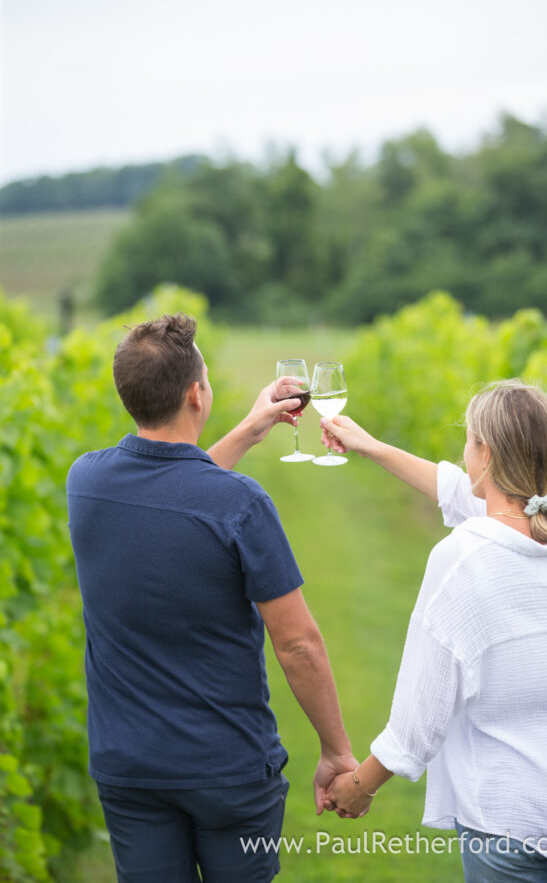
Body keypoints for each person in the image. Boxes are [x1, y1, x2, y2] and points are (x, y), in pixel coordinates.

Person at [66, 313, 356, 883]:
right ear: (197, 394)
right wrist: (336, 751)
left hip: (128, 770)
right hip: (230, 772)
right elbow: (298, 644)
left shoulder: (86, 482)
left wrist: (249, 428)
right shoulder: (241, 504)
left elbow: (173, 492)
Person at [320, 381, 547, 883]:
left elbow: (418, 719)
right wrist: (371, 445)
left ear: (486, 454)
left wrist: (360, 785)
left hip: (507, 823)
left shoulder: (461, 561)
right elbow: (485, 500)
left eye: (469, 440)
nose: (463, 452)